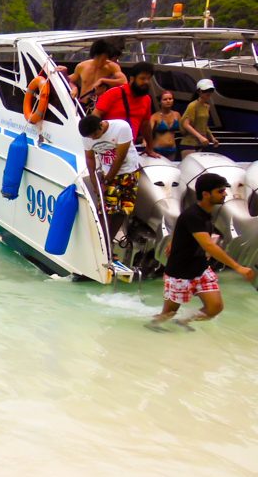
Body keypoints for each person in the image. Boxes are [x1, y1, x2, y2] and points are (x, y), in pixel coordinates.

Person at [149, 173, 255, 328]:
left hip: (200, 269)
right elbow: (208, 245)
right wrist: (238, 267)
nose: (225, 194)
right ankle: (153, 325)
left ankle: (183, 322)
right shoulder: (193, 215)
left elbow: (184, 226)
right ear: (206, 194)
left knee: (215, 308)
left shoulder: (205, 212)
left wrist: (174, 240)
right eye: (220, 191)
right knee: (168, 314)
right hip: (180, 274)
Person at [79, 114, 139, 238]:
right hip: (107, 174)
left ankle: (109, 241)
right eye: (90, 137)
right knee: (106, 210)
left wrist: (106, 182)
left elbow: (119, 158)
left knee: (123, 209)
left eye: (95, 135)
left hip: (128, 172)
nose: (93, 139)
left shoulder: (121, 127)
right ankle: (100, 240)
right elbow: (90, 158)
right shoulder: (88, 136)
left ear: (101, 125)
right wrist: (94, 181)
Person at [93, 61, 158, 157]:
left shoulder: (147, 99)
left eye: (148, 79)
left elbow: (145, 125)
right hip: (108, 149)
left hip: (129, 149)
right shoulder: (114, 93)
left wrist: (150, 147)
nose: (146, 82)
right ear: (132, 79)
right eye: (142, 78)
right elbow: (95, 115)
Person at [67, 39, 126, 110]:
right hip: (82, 105)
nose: (101, 62)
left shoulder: (112, 67)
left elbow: (124, 82)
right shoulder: (82, 66)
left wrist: (103, 80)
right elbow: (69, 80)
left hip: (99, 106)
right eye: (99, 59)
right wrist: (74, 88)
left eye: (104, 59)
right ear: (94, 55)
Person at [179, 78, 219, 157]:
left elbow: (204, 125)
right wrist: (200, 137)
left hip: (201, 144)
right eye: (205, 91)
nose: (208, 93)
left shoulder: (206, 106)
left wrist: (212, 138)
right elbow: (186, 124)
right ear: (199, 92)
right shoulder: (193, 105)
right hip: (189, 143)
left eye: (210, 90)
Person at [150, 90, 182, 159]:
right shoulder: (155, 116)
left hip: (172, 149)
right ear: (160, 102)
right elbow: (148, 132)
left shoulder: (177, 115)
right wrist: (145, 142)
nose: (168, 101)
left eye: (170, 99)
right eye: (165, 99)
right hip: (158, 149)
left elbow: (184, 130)